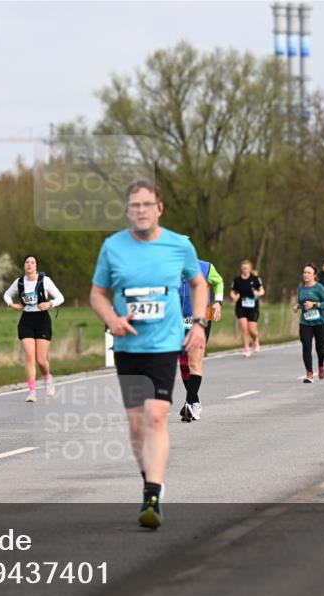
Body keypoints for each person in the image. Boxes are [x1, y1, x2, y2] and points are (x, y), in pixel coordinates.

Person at [90, 180, 207, 530]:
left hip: (164, 344)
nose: (141, 210)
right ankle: (149, 479)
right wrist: (111, 318)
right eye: (134, 205)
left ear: (160, 208)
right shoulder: (113, 247)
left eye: (147, 204)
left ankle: (152, 495)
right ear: (127, 211)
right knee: (137, 425)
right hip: (128, 347)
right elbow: (97, 293)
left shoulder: (178, 245)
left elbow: (199, 283)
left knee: (156, 416)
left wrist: (199, 324)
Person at [3, 255, 65, 402]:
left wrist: (49, 304)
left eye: (32, 262)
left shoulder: (45, 281)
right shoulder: (19, 282)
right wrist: (11, 304)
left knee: (41, 360)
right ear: (24, 266)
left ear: (36, 266)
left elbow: (60, 298)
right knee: (30, 357)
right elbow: (6, 295)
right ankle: (32, 392)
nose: (29, 265)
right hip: (26, 320)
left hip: (42, 320)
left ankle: (47, 379)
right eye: (27, 262)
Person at [177, 259, 224, 422]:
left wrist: (218, 302)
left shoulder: (206, 267)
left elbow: (219, 282)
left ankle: (189, 404)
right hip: (177, 322)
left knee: (194, 361)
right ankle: (194, 401)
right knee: (183, 364)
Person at [294, 264, 324, 383]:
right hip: (305, 322)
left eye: (309, 273)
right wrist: (297, 306)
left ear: (314, 275)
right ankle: (309, 374)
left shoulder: (319, 288)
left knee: (320, 349)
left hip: (320, 322)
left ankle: (321, 365)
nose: (306, 275)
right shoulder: (301, 288)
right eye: (304, 272)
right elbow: (302, 303)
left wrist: (314, 305)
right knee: (306, 347)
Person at [228, 260, 264, 358]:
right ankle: (246, 348)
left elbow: (262, 291)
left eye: (247, 268)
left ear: (250, 269)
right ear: (241, 269)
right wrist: (234, 297)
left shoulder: (255, 279)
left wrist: (258, 293)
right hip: (241, 306)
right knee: (244, 328)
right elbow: (232, 292)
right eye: (243, 268)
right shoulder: (237, 280)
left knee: (252, 330)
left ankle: (255, 339)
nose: (245, 270)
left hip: (253, 307)